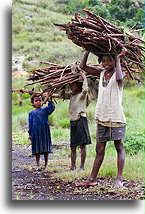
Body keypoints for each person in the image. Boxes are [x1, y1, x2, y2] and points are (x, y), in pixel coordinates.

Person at [76, 49, 127, 188]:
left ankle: (119, 179)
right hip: (102, 117)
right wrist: (87, 50)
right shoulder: (101, 73)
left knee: (119, 146)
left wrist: (118, 58)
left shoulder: (120, 73)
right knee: (99, 149)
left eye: (109, 60)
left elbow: (119, 79)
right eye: (104, 61)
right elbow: (83, 67)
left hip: (116, 117)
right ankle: (92, 179)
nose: (106, 63)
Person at [61, 71, 92, 171]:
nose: (71, 87)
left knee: (82, 145)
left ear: (78, 84)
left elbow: (85, 89)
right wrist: (62, 87)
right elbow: (63, 95)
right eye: (69, 85)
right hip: (73, 121)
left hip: (80, 120)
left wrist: (84, 77)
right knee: (73, 146)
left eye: (72, 84)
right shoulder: (72, 95)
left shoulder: (82, 95)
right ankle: (72, 166)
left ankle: (82, 167)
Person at [28, 94, 55, 170]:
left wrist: (49, 100)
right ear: (33, 103)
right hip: (35, 132)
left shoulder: (45, 110)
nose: (38, 102)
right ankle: (37, 165)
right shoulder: (31, 113)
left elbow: (52, 108)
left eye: (40, 100)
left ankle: (46, 164)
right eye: (36, 101)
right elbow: (30, 124)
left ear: (43, 101)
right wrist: (30, 134)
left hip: (44, 131)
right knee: (37, 148)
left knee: (45, 147)